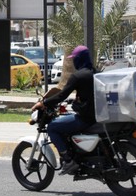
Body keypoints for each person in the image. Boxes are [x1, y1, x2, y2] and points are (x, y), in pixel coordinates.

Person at [31, 45, 97, 175]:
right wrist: (74, 101)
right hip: (98, 116)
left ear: (79, 59)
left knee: (52, 128)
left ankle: (68, 160)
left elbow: (61, 95)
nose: (73, 62)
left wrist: (43, 103)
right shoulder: (96, 73)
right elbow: (89, 95)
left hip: (85, 118)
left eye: (74, 59)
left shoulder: (78, 76)